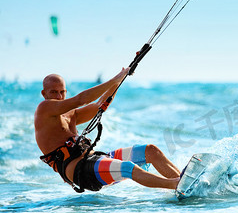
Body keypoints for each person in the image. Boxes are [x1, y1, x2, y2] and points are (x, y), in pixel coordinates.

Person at [34, 67, 180, 193]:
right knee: (127, 168)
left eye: (62, 92)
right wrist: (115, 79)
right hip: (82, 171)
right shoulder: (43, 109)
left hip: (95, 160)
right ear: (44, 93)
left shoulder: (70, 114)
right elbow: (81, 99)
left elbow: (100, 104)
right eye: (54, 92)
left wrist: (122, 77)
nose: (59, 97)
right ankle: (175, 185)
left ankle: (183, 182)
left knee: (150, 150)